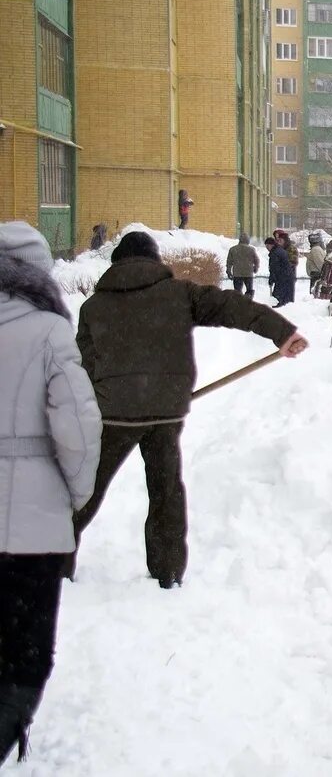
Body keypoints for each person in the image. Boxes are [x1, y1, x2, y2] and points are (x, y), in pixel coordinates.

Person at [69, 232, 307, 587]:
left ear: (116, 263)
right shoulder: (179, 294)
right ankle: (167, 573)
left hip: (114, 410)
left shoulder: (94, 307)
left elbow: (84, 364)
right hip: (165, 409)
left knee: (84, 490)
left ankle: (51, 563)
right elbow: (232, 307)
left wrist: (96, 399)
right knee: (166, 491)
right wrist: (282, 333)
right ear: (154, 260)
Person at [0, 222, 101, 764]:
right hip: (31, 532)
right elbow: (79, 428)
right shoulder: (48, 331)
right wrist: (76, 495)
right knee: (26, 651)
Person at [226, 234, 259, 299]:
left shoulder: (233, 249)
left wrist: (229, 271)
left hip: (237, 274)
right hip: (248, 274)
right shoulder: (251, 249)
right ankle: (248, 301)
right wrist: (255, 268)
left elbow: (229, 262)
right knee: (249, 290)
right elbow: (256, 260)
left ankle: (239, 303)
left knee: (237, 292)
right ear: (247, 240)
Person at [265, 237, 292, 308]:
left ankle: (277, 308)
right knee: (281, 295)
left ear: (271, 245)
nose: (267, 248)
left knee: (276, 297)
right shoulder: (280, 250)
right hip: (286, 275)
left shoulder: (275, 253)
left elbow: (274, 268)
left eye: (267, 246)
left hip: (281, 277)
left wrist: (271, 279)